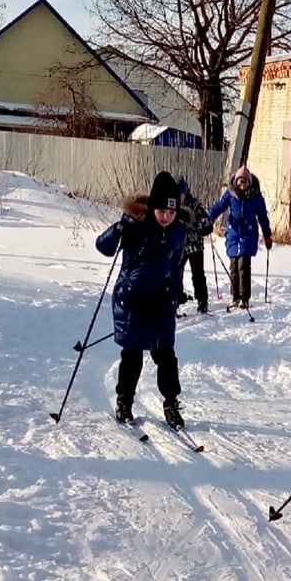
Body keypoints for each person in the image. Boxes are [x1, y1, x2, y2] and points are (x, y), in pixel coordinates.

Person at [95, 170, 189, 431]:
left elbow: (176, 266)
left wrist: (177, 291)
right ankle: (124, 401)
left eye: (171, 213)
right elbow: (102, 247)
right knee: (132, 355)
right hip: (133, 300)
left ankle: (171, 404)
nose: (167, 217)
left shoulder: (178, 232)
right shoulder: (135, 224)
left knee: (166, 356)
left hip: (161, 301)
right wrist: (119, 228)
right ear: (153, 208)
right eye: (162, 212)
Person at [208, 165, 272, 308]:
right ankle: (235, 296)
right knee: (234, 267)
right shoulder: (231, 195)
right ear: (236, 182)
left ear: (249, 183)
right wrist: (208, 219)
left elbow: (263, 216)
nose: (242, 185)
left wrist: (267, 235)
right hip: (233, 235)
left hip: (248, 235)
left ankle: (245, 297)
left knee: (244, 266)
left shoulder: (256, 197)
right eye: (240, 182)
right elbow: (219, 207)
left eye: (245, 182)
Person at [177, 176, 213, 313]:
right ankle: (177, 298)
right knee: (176, 273)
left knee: (198, 274)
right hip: (179, 246)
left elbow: (205, 220)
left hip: (195, 246)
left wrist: (200, 225)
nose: (179, 197)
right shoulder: (172, 206)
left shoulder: (194, 204)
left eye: (181, 194)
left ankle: (202, 301)